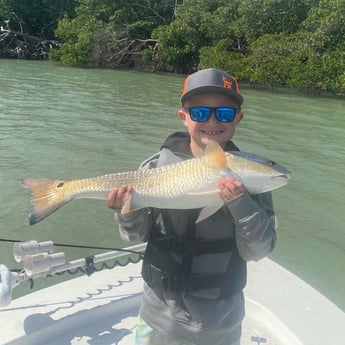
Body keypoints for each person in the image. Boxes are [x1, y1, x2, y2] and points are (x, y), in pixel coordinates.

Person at [107, 68, 276, 345]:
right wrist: (127, 211)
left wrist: (241, 204)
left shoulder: (253, 179)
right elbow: (135, 236)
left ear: (238, 118)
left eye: (224, 113)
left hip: (220, 323)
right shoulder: (153, 168)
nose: (211, 121)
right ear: (183, 116)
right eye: (199, 113)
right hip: (155, 317)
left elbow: (257, 251)